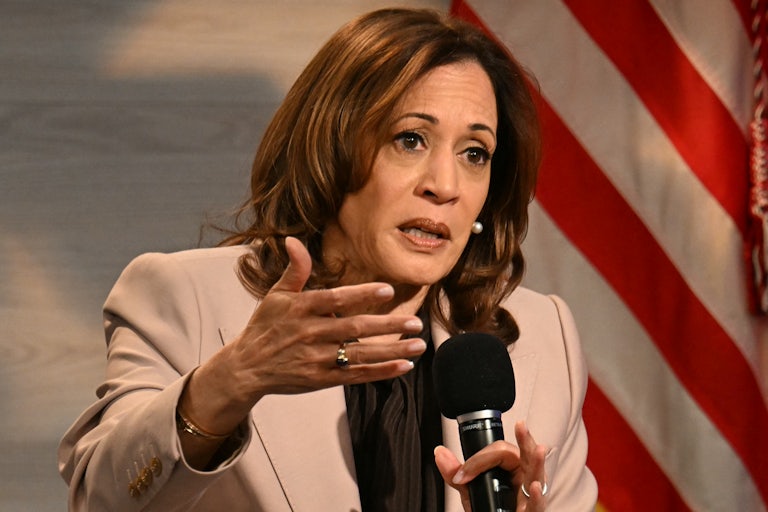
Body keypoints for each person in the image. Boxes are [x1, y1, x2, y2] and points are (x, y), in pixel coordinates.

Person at [58, 7, 597, 511]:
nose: (445, 186)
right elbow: (101, 497)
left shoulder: (542, 336)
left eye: (474, 153)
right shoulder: (186, 298)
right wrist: (232, 380)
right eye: (410, 140)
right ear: (331, 150)